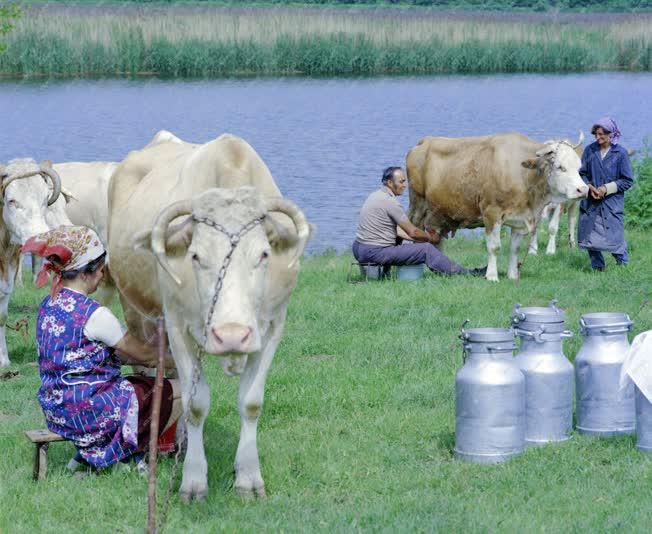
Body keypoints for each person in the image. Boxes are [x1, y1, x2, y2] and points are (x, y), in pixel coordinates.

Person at [23, 225, 181, 471]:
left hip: (56, 411)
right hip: (89, 414)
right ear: (86, 273)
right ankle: (131, 451)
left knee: (135, 384)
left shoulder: (48, 304)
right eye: (100, 270)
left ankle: (88, 455)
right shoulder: (94, 314)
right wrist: (182, 360)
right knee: (180, 391)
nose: (102, 275)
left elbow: (75, 354)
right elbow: (147, 356)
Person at [352, 167, 486, 276]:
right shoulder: (391, 203)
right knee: (425, 250)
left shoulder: (375, 195)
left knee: (400, 239)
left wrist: (416, 238)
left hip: (358, 248)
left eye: (404, 181)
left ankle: (384, 274)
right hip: (374, 252)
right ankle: (466, 274)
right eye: (400, 182)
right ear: (389, 183)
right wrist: (430, 238)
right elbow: (413, 232)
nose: (404, 186)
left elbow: (397, 231)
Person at [578, 117, 633, 271]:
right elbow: (582, 173)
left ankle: (623, 266)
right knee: (590, 237)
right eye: (595, 134)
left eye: (601, 134)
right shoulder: (590, 150)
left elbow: (627, 180)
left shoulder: (620, 153)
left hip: (611, 204)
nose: (598, 137)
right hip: (591, 202)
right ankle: (597, 269)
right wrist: (590, 187)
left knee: (614, 238)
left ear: (611, 134)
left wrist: (605, 188)